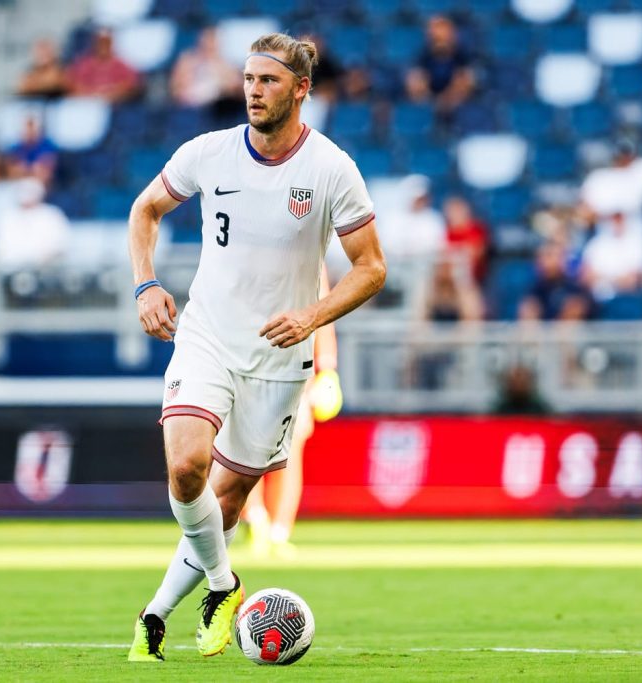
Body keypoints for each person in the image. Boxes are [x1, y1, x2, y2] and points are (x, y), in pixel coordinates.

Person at [126, 32, 385, 662]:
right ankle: (224, 583)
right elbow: (145, 210)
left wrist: (312, 317)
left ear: (300, 89)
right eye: (248, 80)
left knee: (226, 500)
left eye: (268, 81)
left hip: (279, 360)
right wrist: (146, 284)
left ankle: (156, 614)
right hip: (208, 337)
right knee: (186, 464)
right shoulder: (209, 153)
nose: (253, 91)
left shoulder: (331, 169)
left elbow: (371, 267)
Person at [240, 268, 342, 558]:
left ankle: (279, 529)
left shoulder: (309, 250)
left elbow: (324, 306)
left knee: (291, 444)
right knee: (248, 445)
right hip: (252, 358)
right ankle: (256, 517)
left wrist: (327, 367)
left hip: (298, 361)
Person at [0, 177, 70, 271]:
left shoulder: (52, 214)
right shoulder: (6, 216)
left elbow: (61, 245)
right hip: (8, 269)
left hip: (45, 270)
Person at [403, 15, 475, 114]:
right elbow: (415, 88)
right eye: (437, 37)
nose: (441, 38)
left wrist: (447, 99)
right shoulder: (421, 57)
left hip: (457, 106)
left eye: (445, 34)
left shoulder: (463, 57)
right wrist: (434, 102)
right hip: (429, 106)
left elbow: (466, 84)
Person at [169, 27, 243, 109]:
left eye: (212, 41)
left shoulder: (226, 64)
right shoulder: (187, 61)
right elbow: (176, 89)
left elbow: (236, 89)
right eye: (206, 41)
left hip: (218, 109)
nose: (209, 44)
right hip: (191, 108)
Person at [65, 28, 142, 103]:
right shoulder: (84, 64)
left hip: (116, 106)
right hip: (88, 105)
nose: (103, 46)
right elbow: (72, 85)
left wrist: (110, 94)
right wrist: (92, 94)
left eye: (106, 42)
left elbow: (132, 85)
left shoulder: (122, 64)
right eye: (100, 42)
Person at [6, 115, 57, 184]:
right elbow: (11, 172)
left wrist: (25, 170)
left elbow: (45, 174)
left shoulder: (47, 145)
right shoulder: (16, 147)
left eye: (32, 126)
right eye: (27, 127)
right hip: (19, 184)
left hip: (40, 185)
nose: (30, 130)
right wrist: (31, 170)